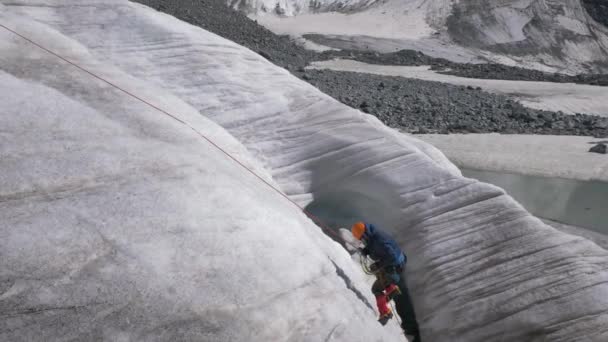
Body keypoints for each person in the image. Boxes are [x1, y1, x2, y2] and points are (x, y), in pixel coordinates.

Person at [351, 221, 421, 342]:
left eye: (362, 237)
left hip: (395, 268)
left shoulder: (379, 240)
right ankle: (391, 289)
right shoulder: (374, 236)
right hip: (396, 265)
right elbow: (375, 247)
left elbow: (391, 256)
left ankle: (386, 312)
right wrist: (366, 251)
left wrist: (380, 263)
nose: (362, 240)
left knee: (377, 289)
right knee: (375, 269)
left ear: (365, 233)